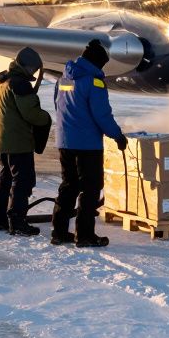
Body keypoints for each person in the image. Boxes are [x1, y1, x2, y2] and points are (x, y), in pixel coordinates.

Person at [50, 39, 128, 247]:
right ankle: (84, 235)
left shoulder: (63, 78)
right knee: (90, 188)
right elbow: (102, 115)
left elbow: (57, 105)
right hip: (87, 145)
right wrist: (118, 136)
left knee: (69, 185)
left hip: (65, 141)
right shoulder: (94, 82)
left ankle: (58, 231)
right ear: (97, 62)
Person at [0, 48, 51, 237]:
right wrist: (46, 117)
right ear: (27, 67)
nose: (33, 73)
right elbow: (31, 113)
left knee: (6, 178)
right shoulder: (20, 84)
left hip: (1, 140)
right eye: (32, 69)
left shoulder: (2, 80)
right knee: (22, 182)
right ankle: (17, 222)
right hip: (17, 142)